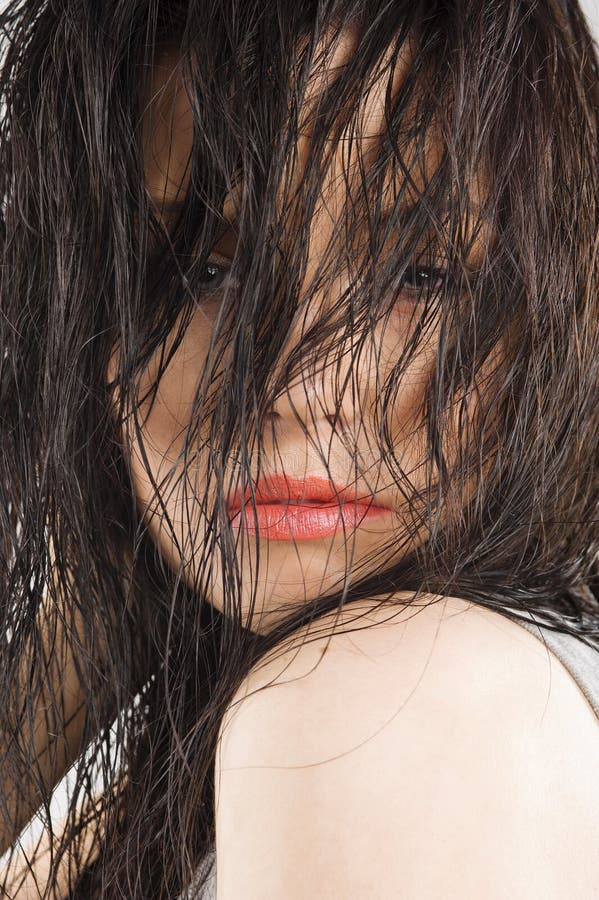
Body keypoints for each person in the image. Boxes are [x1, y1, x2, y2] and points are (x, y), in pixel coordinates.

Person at [0, 0, 598, 896]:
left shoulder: (377, 704)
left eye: (417, 276)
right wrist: (107, 582)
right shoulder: (204, 752)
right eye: (206, 267)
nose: (289, 386)